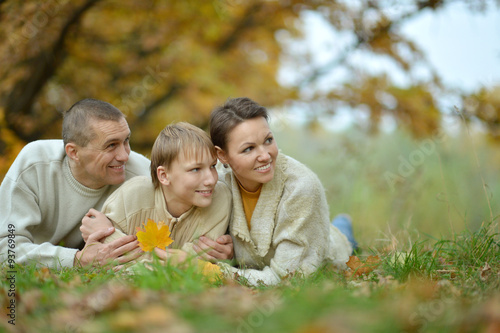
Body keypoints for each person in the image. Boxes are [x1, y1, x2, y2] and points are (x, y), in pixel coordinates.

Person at [199, 97, 356, 286]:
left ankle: (344, 225)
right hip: (294, 234)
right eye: (248, 149)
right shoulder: (217, 183)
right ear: (222, 155)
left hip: (324, 248)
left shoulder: (302, 187)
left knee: (343, 239)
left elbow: (286, 278)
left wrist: (211, 270)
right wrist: (229, 254)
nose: (265, 156)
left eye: (268, 140)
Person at [0, 98, 150, 268]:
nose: (124, 156)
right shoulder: (34, 165)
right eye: (111, 145)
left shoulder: (144, 176)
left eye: (126, 141)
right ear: (74, 152)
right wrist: (77, 259)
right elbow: (6, 249)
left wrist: (113, 235)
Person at [80, 122, 231, 265]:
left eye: (212, 166)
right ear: (164, 175)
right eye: (196, 169)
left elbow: (193, 265)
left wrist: (115, 242)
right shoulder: (133, 196)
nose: (211, 180)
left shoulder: (219, 198)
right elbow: (103, 256)